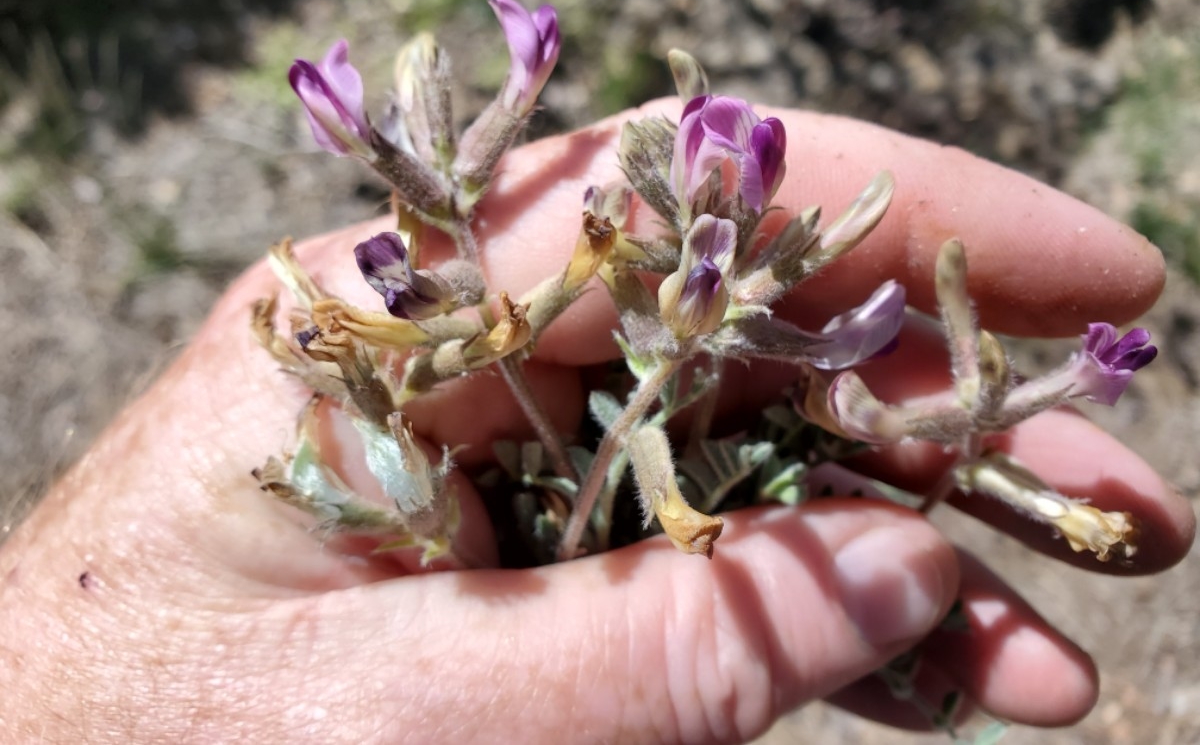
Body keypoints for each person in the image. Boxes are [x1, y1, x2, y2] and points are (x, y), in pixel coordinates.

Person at [0, 102, 1192, 743]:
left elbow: (743, 329)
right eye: (700, 266)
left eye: (715, 262)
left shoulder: (710, 306)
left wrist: (801, 368)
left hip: (730, 395)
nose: (706, 276)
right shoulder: (627, 303)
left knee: (769, 412)